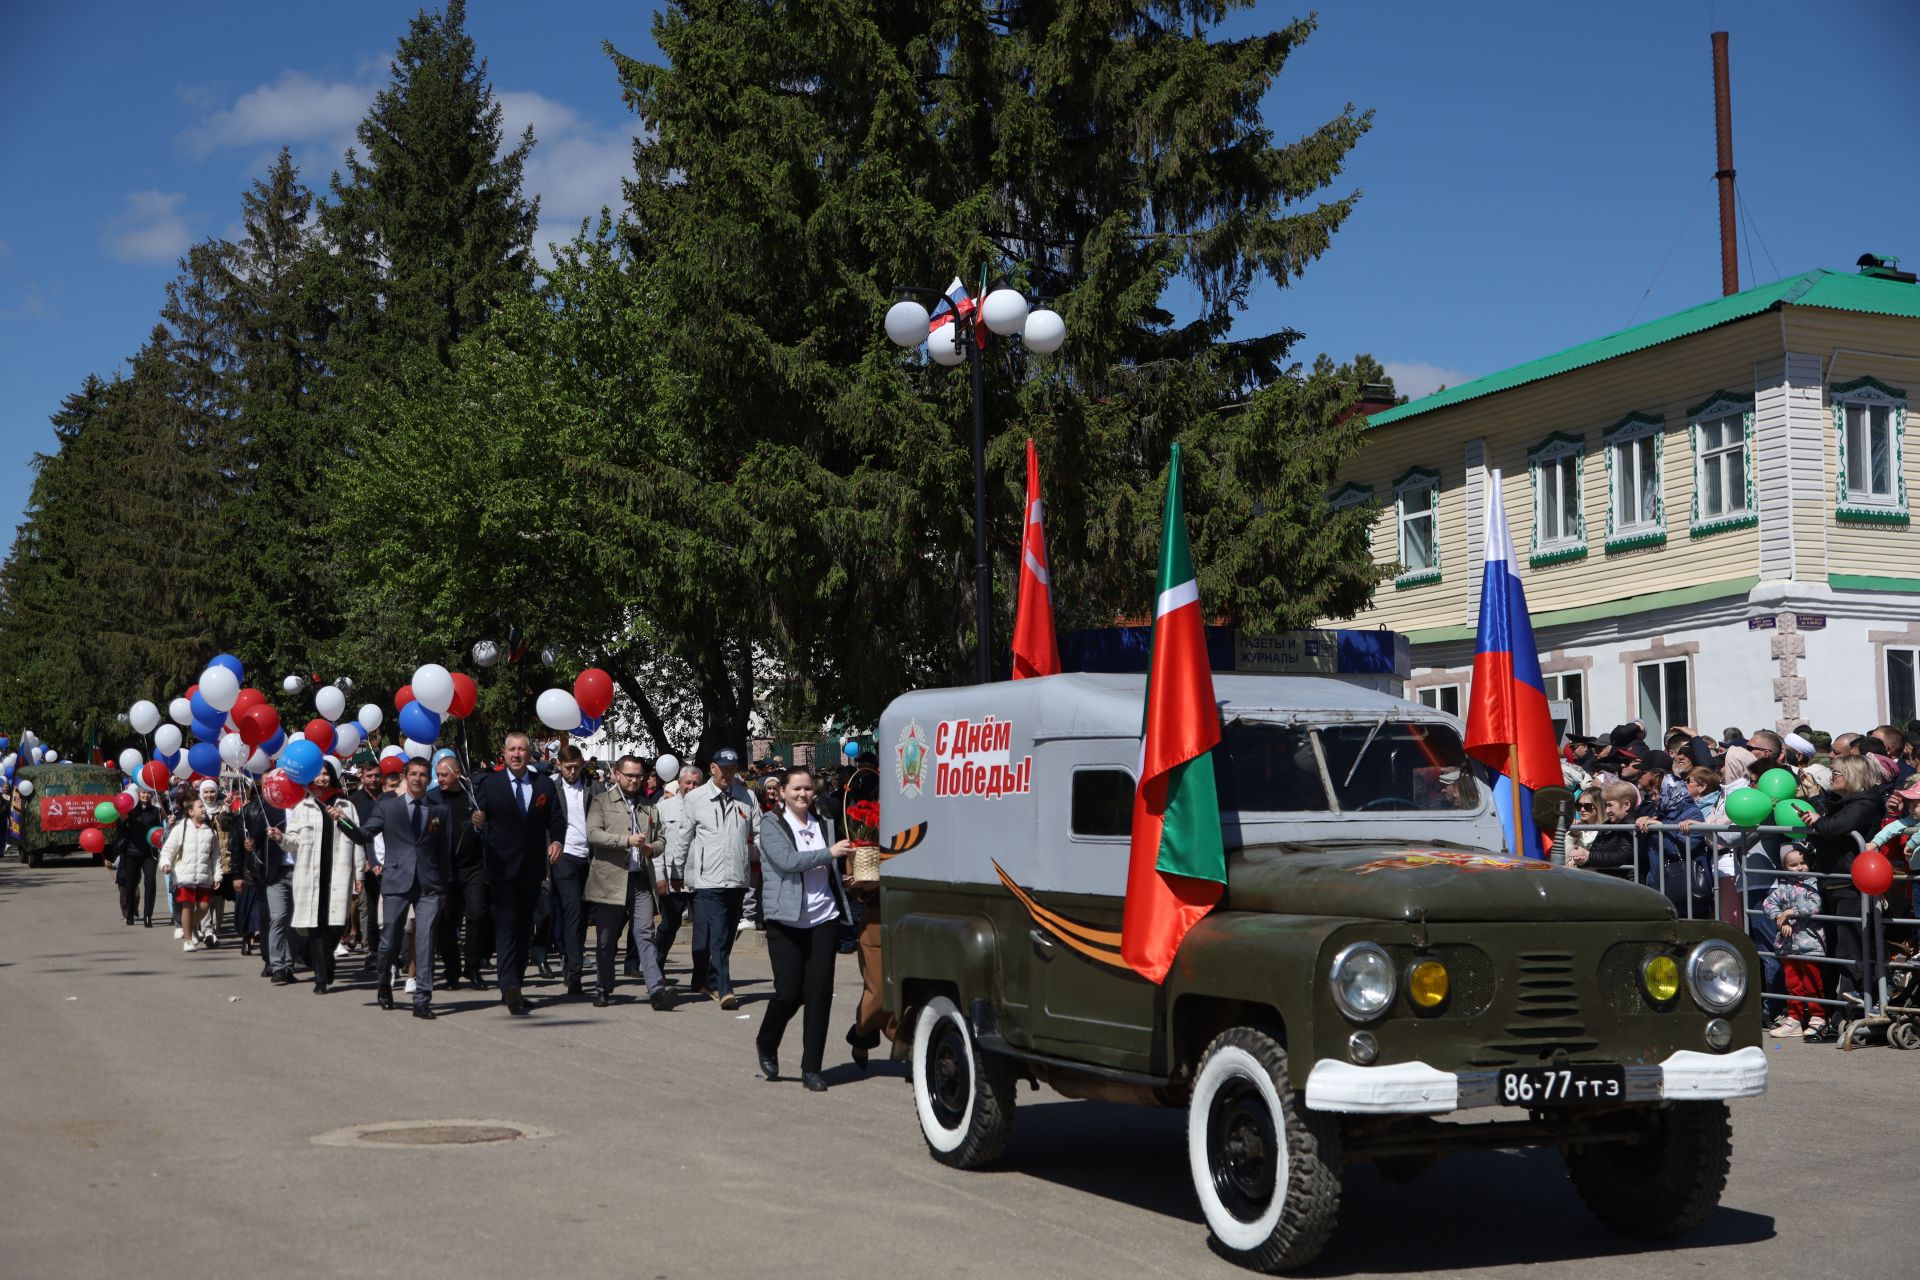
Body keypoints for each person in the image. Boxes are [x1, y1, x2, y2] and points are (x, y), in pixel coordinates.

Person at [754, 764, 853, 1090]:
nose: (802, 794)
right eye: (796, 788)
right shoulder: (771, 824)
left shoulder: (823, 823)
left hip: (823, 919)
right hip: (786, 921)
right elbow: (787, 861)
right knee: (789, 993)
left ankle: (812, 1068)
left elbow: (830, 867)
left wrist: (846, 877)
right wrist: (829, 853)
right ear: (782, 792)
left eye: (807, 788)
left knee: (819, 994)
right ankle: (767, 1041)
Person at [336, 756, 450, 1020]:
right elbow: (364, 835)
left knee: (425, 941)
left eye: (423, 774)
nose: (418, 778)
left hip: (428, 885)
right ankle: (384, 984)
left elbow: (443, 851)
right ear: (405, 777)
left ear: (428, 777)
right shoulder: (388, 807)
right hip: (397, 881)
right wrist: (342, 821)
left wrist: (443, 887)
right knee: (388, 942)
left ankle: (423, 998)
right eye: (413, 774)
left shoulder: (438, 810)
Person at [471, 731, 564, 1015]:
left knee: (525, 927)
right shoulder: (491, 783)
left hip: (532, 868)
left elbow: (557, 819)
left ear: (529, 753)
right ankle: (508, 985)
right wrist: (477, 821)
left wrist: (557, 840)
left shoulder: (543, 784)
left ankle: (516, 987)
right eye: (511, 749)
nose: (516, 754)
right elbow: (477, 817)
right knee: (507, 926)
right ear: (504, 752)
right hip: (501, 867)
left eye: (521, 749)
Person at [1803, 754, 1887, 1038]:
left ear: (1852, 774)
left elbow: (1831, 828)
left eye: (1837, 772)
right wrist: (1816, 801)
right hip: (1835, 883)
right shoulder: (1843, 803)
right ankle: (1843, 1014)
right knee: (1841, 952)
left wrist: (1818, 817)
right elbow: (1822, 829)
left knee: (1851, 951)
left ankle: (1854, 1015)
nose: (1833, 777)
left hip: (1853, 886)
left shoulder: (1865, 803)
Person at [666, 749, 756, 1009]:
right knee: (717, 932)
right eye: (723, 768)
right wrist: (677, 872)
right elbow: (683, 838)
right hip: (708, 880)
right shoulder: (695, 798)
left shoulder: (747, 797)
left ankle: (714, 979)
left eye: (732, 769)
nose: (728, 774)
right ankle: (725, 988)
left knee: (727, 935)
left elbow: (758, 832)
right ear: (713, 768)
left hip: (737, 878)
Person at [585, 754, 671, 1008]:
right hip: (609, 879)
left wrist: (650, 849)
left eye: (638, 776)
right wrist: (626, 840)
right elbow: (593, 834)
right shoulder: (601, 801)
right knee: (606, 938)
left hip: (640, 879)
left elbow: (661, 840)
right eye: (629, 775)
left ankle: (656, 989)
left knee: (645, 933)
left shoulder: (649, 806)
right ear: (617, 774)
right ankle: (603, 987)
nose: (634, 780)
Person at [284, 763, 363, 994]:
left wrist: (359, 873)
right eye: (318, 773)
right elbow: (293, 842)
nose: (322, 777)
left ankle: (324, 958)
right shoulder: (303, 806)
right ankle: (320, 977)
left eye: (327, 773)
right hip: (312, 875)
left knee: (337, 926)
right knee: (317, 927)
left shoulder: (345, 804)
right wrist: (280, 838)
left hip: (338, 873)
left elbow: (357, 839)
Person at [434, 754, 490, 990]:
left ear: (457, 774)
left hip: (473, 867)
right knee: (446, 922)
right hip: (445, 870)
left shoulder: (474, 796)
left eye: (444, 775)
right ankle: (452, 969)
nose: (440, 779)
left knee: (477, 915)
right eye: (437, 775)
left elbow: (489, 829)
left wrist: (481, 823)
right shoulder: (432, 799)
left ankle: (473, 967)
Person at [1762, 846, 1827, 1039]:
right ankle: (1794, 1018)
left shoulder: (1812, 883)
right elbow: (1768, 904)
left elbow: (1815, 905)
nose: (1800, 868)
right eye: (1793, 865)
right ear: (1784, 867)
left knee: (1812, 982)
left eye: (1803, 863)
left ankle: (1818, 1017)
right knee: (1792, 983)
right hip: (1788, 944)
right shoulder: (1782, 887)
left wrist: (1789, 912)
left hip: (1810, 942)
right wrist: (1779, 919)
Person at [548, 745, 595, 996]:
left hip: (590, 858)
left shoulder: (594, 787)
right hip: (564, 855)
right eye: (568, 768)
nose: (573, 772)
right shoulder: (550, 788)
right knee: (572, 909)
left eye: (577, 767)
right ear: (559, 765)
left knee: (583, 914)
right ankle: (575, 973)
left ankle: (569, 954)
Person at [232, 787, 291, 979]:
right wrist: (237, 873)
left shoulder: (292, 806)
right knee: (269, 915)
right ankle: (271, 960)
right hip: (261, 870)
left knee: (288, 915)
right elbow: (238, 841)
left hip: (291, 867)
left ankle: (288, 958)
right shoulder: (250, 810)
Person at [158, 797, 221, 952]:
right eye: (200, 807)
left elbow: (216, 857)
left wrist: (217, 876)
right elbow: (168, 850)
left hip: (204, 876)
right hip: (184, 875)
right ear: (191, 812)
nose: (204, 809)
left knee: (204, 906)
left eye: (204, 807)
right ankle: (188, 940)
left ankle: (192, 926)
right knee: (187, 906)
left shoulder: (211, 831)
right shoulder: (181, 828)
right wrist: (165, 863)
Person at [345, 762, 384, 966]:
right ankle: (372, 951)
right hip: (365, 863)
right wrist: (363, 861)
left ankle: (390, 950)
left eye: (377, 776)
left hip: (389, 861)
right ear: (362, 777)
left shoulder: (388, 797)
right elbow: (353, 834)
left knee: (388, 910)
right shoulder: (354, 801)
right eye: (369, 776)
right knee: (368, 908)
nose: (373, 780)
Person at [113, 785, 163, 927]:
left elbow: (160, 830)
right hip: (131, 852)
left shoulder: (156, 811)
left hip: (149, 853)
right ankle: (130, 913)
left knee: (150, 882)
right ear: (138, 794)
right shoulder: (130, 810)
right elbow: (120, 830)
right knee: (130, 884)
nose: (145, 795)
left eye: (148, 793)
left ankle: (148, 916)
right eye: (143, 792)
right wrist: (122, 820)